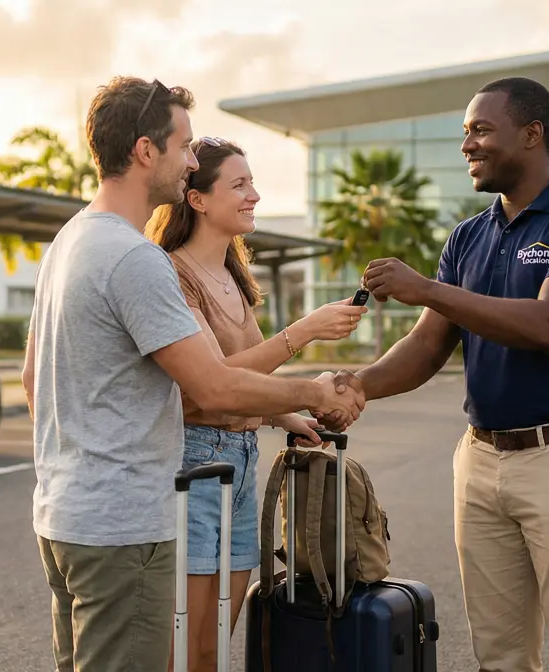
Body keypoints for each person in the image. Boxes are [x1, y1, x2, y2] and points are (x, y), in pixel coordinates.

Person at [21, 76, 365, 672]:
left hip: (66, 515)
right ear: (145, 151)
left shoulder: (70, 239)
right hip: (123, 525)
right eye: (182, 147)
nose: (189, 162)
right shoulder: (136, 258)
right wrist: (312, 391)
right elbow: (212, 385)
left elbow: (32, 379)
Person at [332, 76, 549, 672]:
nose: (467, 144)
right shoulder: (469, 236)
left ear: (532, 134)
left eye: (480, 130)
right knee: (498, 656)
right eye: (464, 132)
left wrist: (426, 288)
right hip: (482, 461)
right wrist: (357, 385)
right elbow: (427, 345)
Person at [145, 136, 368, 672]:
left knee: (216, 642)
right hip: (195, 461)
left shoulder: (233, 277)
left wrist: (287, 416)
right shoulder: (173, 274)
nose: (254, 196)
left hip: (241, 462)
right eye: (239, 185)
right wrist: (304, 331)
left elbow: (246, 381)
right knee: (186, 643)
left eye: (253, 183)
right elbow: (211, 380)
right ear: (198, 199)